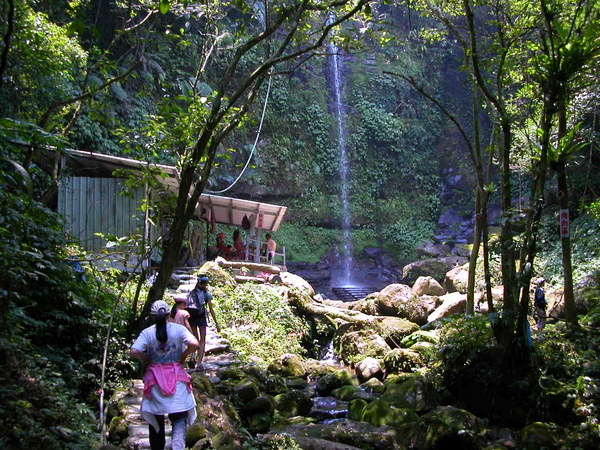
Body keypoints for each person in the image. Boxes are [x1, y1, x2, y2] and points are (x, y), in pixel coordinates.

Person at [130, 300, 199, 450]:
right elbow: (194, 344)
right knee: (179, 417)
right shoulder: (179, 330)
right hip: (177, 378)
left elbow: (134, 351)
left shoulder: (147, 333)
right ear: (169, 314)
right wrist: (183, 356)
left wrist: (147, 358)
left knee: (156, 417)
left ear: (152, 316)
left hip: (155, 378)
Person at [185, 275, 221, 369]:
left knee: (194, 338)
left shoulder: (192, 292)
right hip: (201, 318)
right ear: (205, 283)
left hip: (192, 318)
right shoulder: (206, 294)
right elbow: (211, 309)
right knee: (202, 340)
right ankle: (199, 363)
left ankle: (192, 357)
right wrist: (216, 323)